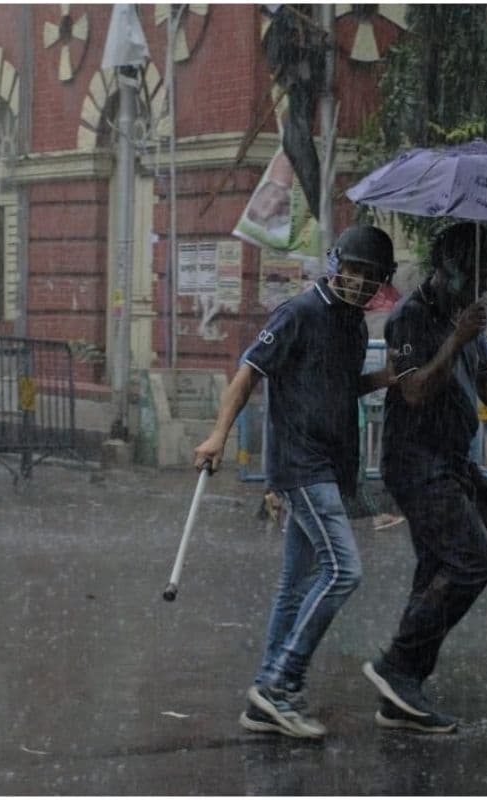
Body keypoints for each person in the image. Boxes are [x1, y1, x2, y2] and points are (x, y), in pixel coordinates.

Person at [193, 224, 398, 739]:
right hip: (302, 465)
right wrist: (218, 436)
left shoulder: (354, 326)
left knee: (294, 586)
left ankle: (266, 700)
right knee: (343, 571)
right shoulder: (300, 313)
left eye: (371, 276)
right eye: (354, 270)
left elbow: (340, 387)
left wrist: (385, 378)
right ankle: (281, 683)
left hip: (331, 465)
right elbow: (248, 372)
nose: (360, 282)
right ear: (336, 266)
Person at [364, 222, 487, 734]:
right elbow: (415, 391)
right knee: (470, 564)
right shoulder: (410, 318)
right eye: (480, 276)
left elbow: (484, 383)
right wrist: (455, 339)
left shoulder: (469, 318)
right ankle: (397, 665)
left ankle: (402, 695)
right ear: (450, 269)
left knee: (435, 572)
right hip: (415, 461)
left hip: (451, 459)